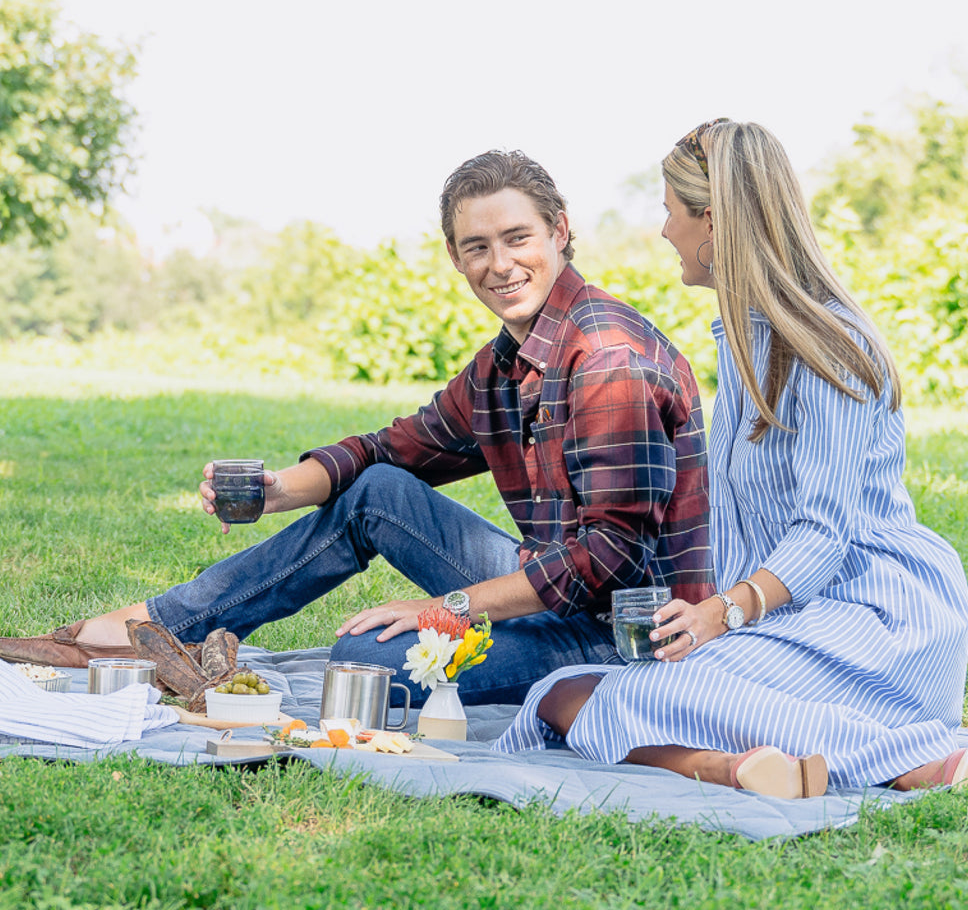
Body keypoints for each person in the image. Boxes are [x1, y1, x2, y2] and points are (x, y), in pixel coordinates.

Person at [0, 150, 712, 706]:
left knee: (366, 661)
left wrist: (447, 609)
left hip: (623, 634)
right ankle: (154, 628)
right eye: (475, 246)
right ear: (455, 256)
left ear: (559, 230)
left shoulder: (607, 359)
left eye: (517, 237)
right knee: (377, 490)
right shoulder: (507, 363)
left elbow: (612, 558)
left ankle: (144, 636)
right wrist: (280, 490)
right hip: (545, 591)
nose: (499, 265)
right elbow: (390, 450)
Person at [493, 120, 968, 796]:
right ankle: (738, 769)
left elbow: (824, 534)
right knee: (569, 690)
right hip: (795, 619)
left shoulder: (828, 346)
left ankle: (913, 764)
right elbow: (743, 523)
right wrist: (697, 608)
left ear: (713, 222)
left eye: (671, 211)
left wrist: (722, 614)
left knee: (629, 697)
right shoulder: (742, 344)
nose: (664, 230)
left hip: (879, 625)